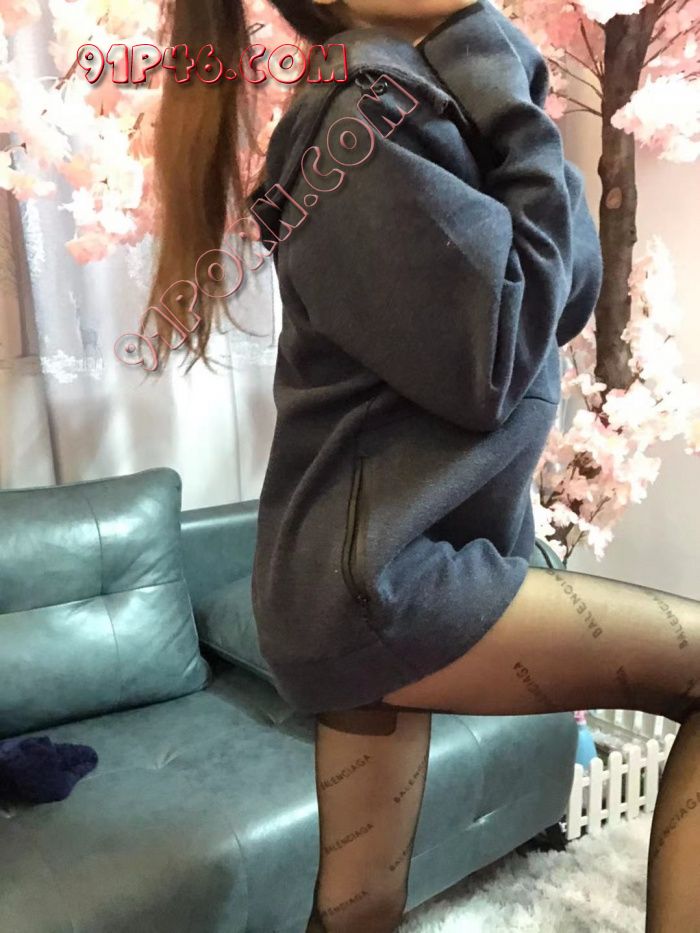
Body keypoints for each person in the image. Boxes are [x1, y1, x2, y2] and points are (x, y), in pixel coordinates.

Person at [147, 1, 700, 930]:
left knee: (359, 905)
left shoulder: (424, 99)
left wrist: (502, 86)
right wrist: (502, 78)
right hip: (384, 582)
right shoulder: (365, 119)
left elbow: (567, 293)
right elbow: (497, 361)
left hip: (376, 571)